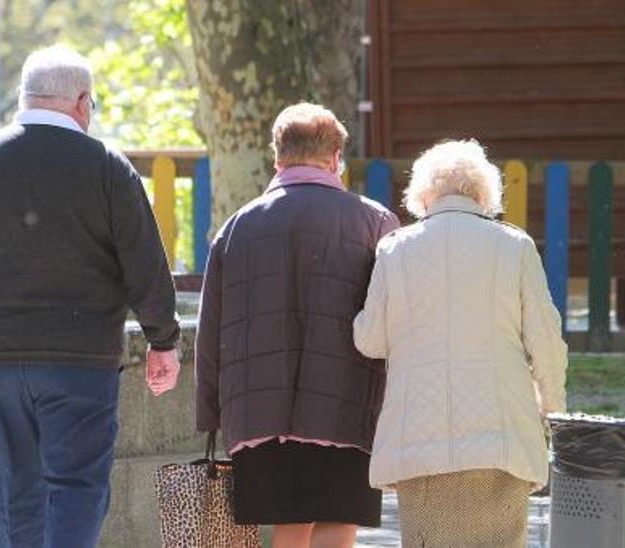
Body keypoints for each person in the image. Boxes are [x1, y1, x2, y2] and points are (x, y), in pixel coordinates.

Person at [0, 46, 181, 548]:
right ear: (82, 103)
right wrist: (162, 340)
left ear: (25, 97)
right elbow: (146, 265)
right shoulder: (108, 168)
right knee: (78, 488)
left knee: (15, 491)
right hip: (81, 359)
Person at [194, 103, 400, 548]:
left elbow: (210, 329)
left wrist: (210, 411)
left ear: (277, 156)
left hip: (259, 410)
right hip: (348, 403)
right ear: (335, 156)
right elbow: (394, 318)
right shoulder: (376, 222)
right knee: (338, 519)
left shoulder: (237, 226)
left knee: (288, 523)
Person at [353, 139, 567, 547]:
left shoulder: (395, 249)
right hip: (501, 438)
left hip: (421, 438)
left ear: (423, 193)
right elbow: (546, 339)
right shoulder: (514, 246)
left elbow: (371, 340)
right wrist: (553, 412)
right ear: (484, 191)